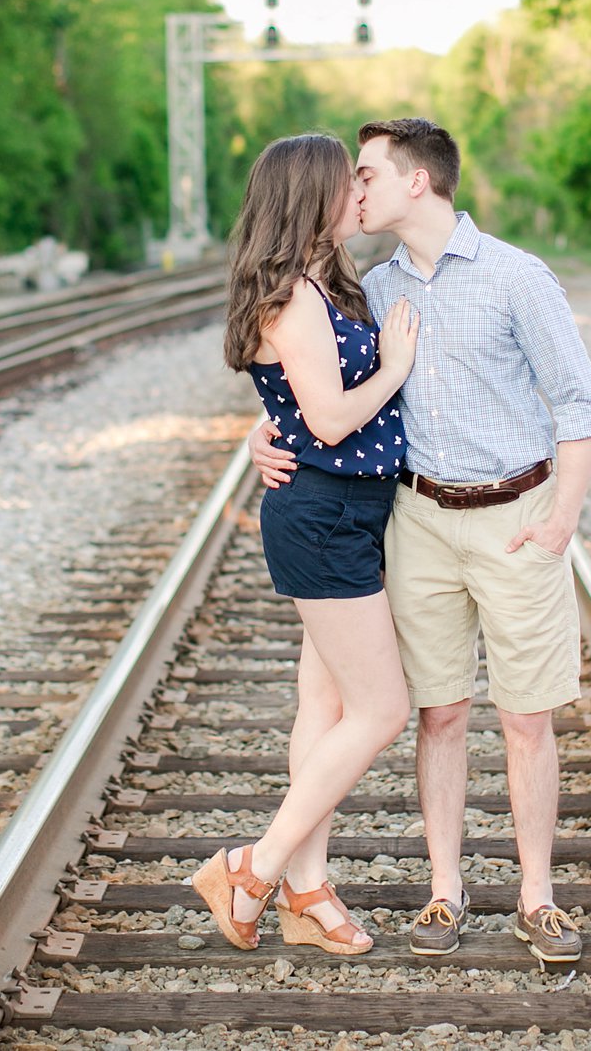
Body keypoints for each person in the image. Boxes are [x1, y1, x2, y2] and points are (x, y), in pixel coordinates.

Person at [253, 117, 591, 965]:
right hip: (415, 520)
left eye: (367, 174)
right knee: (438, 712)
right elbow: (313, 383)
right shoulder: (367, 288)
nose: (356, 190)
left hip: (516, 516)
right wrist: (261, 437)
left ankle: (537, 896)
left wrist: (560, 520)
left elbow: (580, 403)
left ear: (419, 182)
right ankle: (445, 893)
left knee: (525, 719)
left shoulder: (516, 277)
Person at [194, 132, 421, 955]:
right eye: (346, 183)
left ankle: (304, 892)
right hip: (324, 517)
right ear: (312, 198)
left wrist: (270, 426)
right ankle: (252, 866)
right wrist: (394, 365)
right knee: (383, 709)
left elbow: (297, 406)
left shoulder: (326, 281)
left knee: (323, 705)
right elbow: (327, 418)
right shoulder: (292, 294)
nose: (357, 194)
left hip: (349, 510)